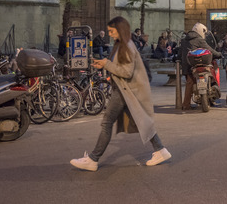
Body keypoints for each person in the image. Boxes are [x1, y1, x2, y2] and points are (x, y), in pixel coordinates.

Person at [70, 16, 171, 171]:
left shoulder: (127, 46)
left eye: (112, 31)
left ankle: (93, 159)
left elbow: (126, 72)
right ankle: (160, 150)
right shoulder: (121, 45)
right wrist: (103, 64)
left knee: (107, 122)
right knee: (141, 121)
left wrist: (106, 64)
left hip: (124, 91)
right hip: (124, 90)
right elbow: (117, 67)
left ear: (120, 29)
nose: (109, 34)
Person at [177, 23, 221, 110]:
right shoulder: (199, 40)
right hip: (198, 63)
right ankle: (186, 104)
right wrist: (219, 54)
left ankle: (187, 103)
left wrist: (178, 60)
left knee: (190, 83)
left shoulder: (184, 39)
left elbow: (180, 53)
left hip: (186, 65)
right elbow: (209, 49)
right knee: (191, 83)